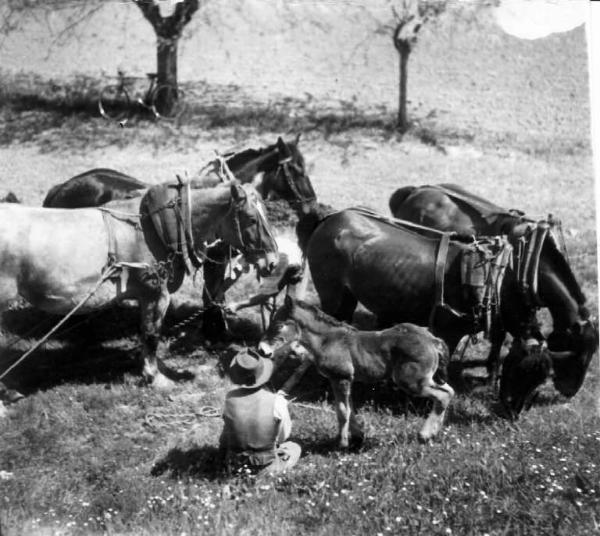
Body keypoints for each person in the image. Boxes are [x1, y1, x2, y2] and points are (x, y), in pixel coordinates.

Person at [219, 350, 302, 475]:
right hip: (266, 465)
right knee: (295, 447)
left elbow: (228, 433)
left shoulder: (230, 398)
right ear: (261, 374)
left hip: (234, 464)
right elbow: (283, 436)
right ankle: (273, 468)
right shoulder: (277, 401)